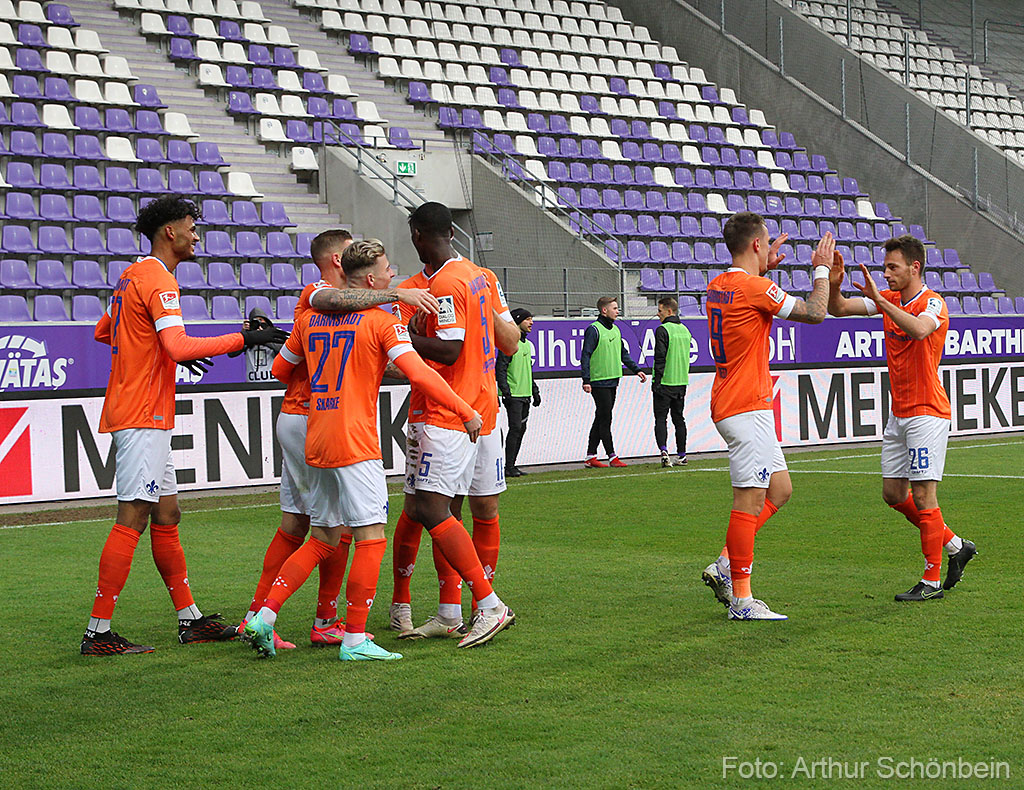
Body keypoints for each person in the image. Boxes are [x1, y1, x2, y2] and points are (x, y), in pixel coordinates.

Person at [246, 240, 483, 661]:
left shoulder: (310, 319)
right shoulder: (381, 321)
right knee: (371, 537)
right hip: (355, 440)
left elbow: (281, 368)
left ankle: (264, 614)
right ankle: (355, 637)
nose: (393, 275)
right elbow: (419, 375)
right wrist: (465, 410)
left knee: (323, 536)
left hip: (316, 434)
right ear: (371, 279)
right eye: (388, 269)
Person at [81, 196, 288, 655]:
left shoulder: (133, 275)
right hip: (142, 412)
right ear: (169, 232)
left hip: (142, 410)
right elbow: (176, 346)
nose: (196, 236)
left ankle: (189, 620)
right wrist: (245, 338)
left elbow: (104, 331)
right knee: (132, 517)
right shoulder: (158, 278)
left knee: (167, 515)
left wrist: (150, 347)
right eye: (191, 228)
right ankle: (97, 632)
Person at [388, 202, 519, 648]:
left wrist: (400, 339)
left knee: (435, 508)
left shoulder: (449, 283)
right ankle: (450, 611)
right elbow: (505, 341)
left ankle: (487, 605)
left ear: (418, 234)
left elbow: (450, 348)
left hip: (449, 411)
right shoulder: (475, 276)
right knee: (448, 508)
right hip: (476, 408)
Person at [826, 235, 976, 601]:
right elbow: (839, 309)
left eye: (893, 267)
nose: (886, 274)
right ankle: (956, 546)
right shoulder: (890, 299)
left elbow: (920, 329)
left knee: (923, 495)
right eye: (885, 267)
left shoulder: (933, 303)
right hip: (900, 413)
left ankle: (931, 581)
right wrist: (833, 285)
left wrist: (880, 302)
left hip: (927, 412)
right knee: (893, 494)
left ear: (915, 267)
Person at [699, 212, 830, 621]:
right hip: (746, 404)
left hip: (733, 399)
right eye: (767, 241)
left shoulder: (718, 284)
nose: (770, 247)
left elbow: (747, 298)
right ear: (757, 244)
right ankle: (741, 600)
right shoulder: (756, 287)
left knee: (780, 490)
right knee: (749, 500)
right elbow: (816, 312)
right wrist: (822, 269)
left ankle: (725, 563)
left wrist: (763, 269)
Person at [580, 297, 647, 468]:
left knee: (601, 417)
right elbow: (585, 355)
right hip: (599, 381)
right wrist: (586, 379)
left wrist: (636, 369)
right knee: (605, 418)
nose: (618, 311)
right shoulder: (594, 330)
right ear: (604, 310)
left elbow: (623, 354)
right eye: (615, 308)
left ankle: (590, 456)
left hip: (612, 380)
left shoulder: (616, 330)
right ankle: (612, 456)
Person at [496, 307, 540, 477]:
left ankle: (512, 465)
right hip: (514, 394)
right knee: (515, 428)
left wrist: (534, 391)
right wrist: (505, 390)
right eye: (527, 319)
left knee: (520, 429)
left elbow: (528, 370)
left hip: (525, 394)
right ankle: (508, 466)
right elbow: (500, 368)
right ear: (517, 321)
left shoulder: (527, 344)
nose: (531, 322)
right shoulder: (509, 344)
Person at [651, 296, 691, 468]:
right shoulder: (685, 330)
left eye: (660, 310)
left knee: (661, 418)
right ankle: (682, 455)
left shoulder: (663, 330)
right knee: (679, 419)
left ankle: (664, 452)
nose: (658, 314)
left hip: (665, 381)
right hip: (681, 382)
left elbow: (660, 357)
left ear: (669, 311)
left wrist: (656, 381)